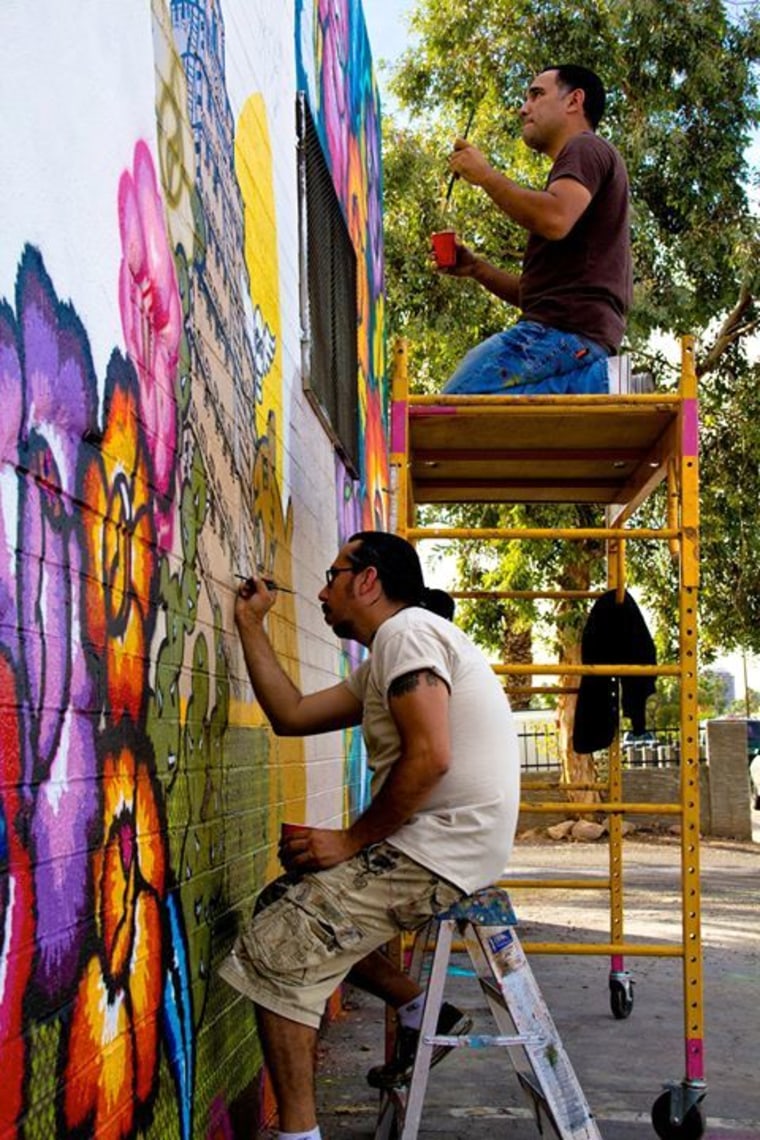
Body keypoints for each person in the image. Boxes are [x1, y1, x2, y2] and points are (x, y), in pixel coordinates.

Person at [219, 531, 519, 1140]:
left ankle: (298, 1135)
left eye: (332, 575)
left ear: (367, 580)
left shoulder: (406, 635)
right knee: (284, 903)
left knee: (274, 951)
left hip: (443, 845)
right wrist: (251, 625)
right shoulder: (392, 650)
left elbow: (431, 756)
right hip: (448, 842)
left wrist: (350, 840)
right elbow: (294, 714)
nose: (323, 591)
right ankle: (419, 1009)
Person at [440, 64, 632, 395]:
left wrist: (486, 176)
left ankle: (598, 381)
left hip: (559, 336)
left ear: (574, 101)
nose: (523, 108)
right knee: (492, 419)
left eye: (536, 94)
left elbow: (554, 219)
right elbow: (540, 297)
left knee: (446, 411)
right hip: (574, 339)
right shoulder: (580, 172)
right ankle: (602, 382)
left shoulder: (585, 147)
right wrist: (476, 268)